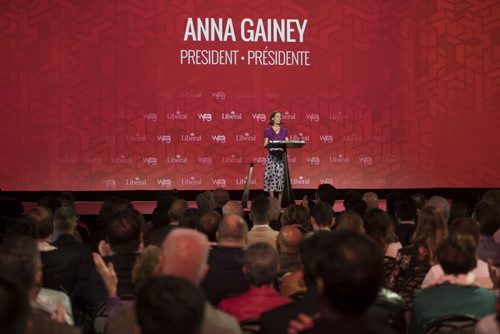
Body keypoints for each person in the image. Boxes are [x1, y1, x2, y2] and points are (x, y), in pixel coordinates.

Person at [263, 110, 289, 204]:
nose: (279, 118)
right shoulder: (267, 130)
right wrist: (270, 143)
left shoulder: (285, 131)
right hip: (271, 156)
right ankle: (273, 202)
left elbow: (287, 143)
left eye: (280, 117)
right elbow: (265, 144)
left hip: (280, 156)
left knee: (280, 179)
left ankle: (279, 202)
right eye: (277, 116)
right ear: (273, 118)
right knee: (271, 178)